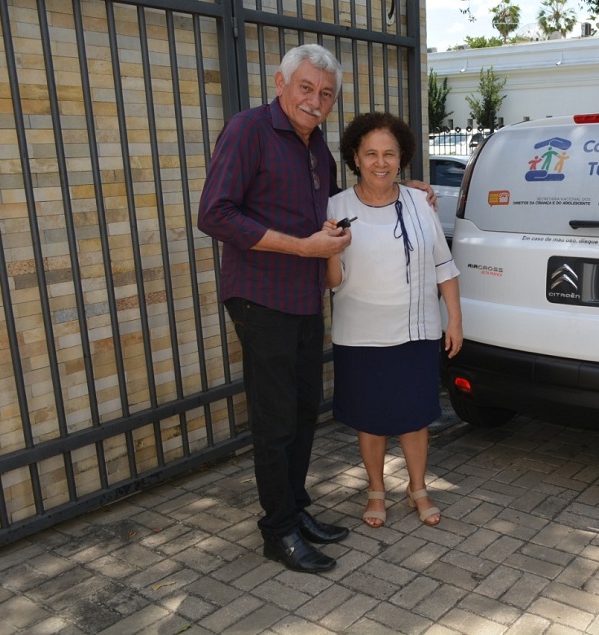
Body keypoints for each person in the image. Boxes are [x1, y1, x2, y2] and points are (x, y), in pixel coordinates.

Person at [197, 45, 434, 573]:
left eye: (326, 93)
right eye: (306, 88)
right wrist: (300, 247)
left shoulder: (317, 151)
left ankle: (296, 510)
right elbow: (214, 214)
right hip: (261, 297)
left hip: (304, 299)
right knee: (275, 418)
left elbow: (340, 211)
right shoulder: (248, 130)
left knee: (304, 413)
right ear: (280, 83)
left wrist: (402, 189)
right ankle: (277, 530)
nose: (315, 100)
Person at [324, 112, 462, 529]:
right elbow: (333, 281)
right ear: (355, 157)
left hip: (416, 330)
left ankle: (418, 488)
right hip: (359, 332)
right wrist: (330, 247)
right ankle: (376, 489)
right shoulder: (336, 207)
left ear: (402, 158)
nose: (380, 162)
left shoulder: (421, 202)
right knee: (371, 419)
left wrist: (453, 320)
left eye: (389, 153)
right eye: (370, 154)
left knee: (415, 417)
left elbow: (444, 266)